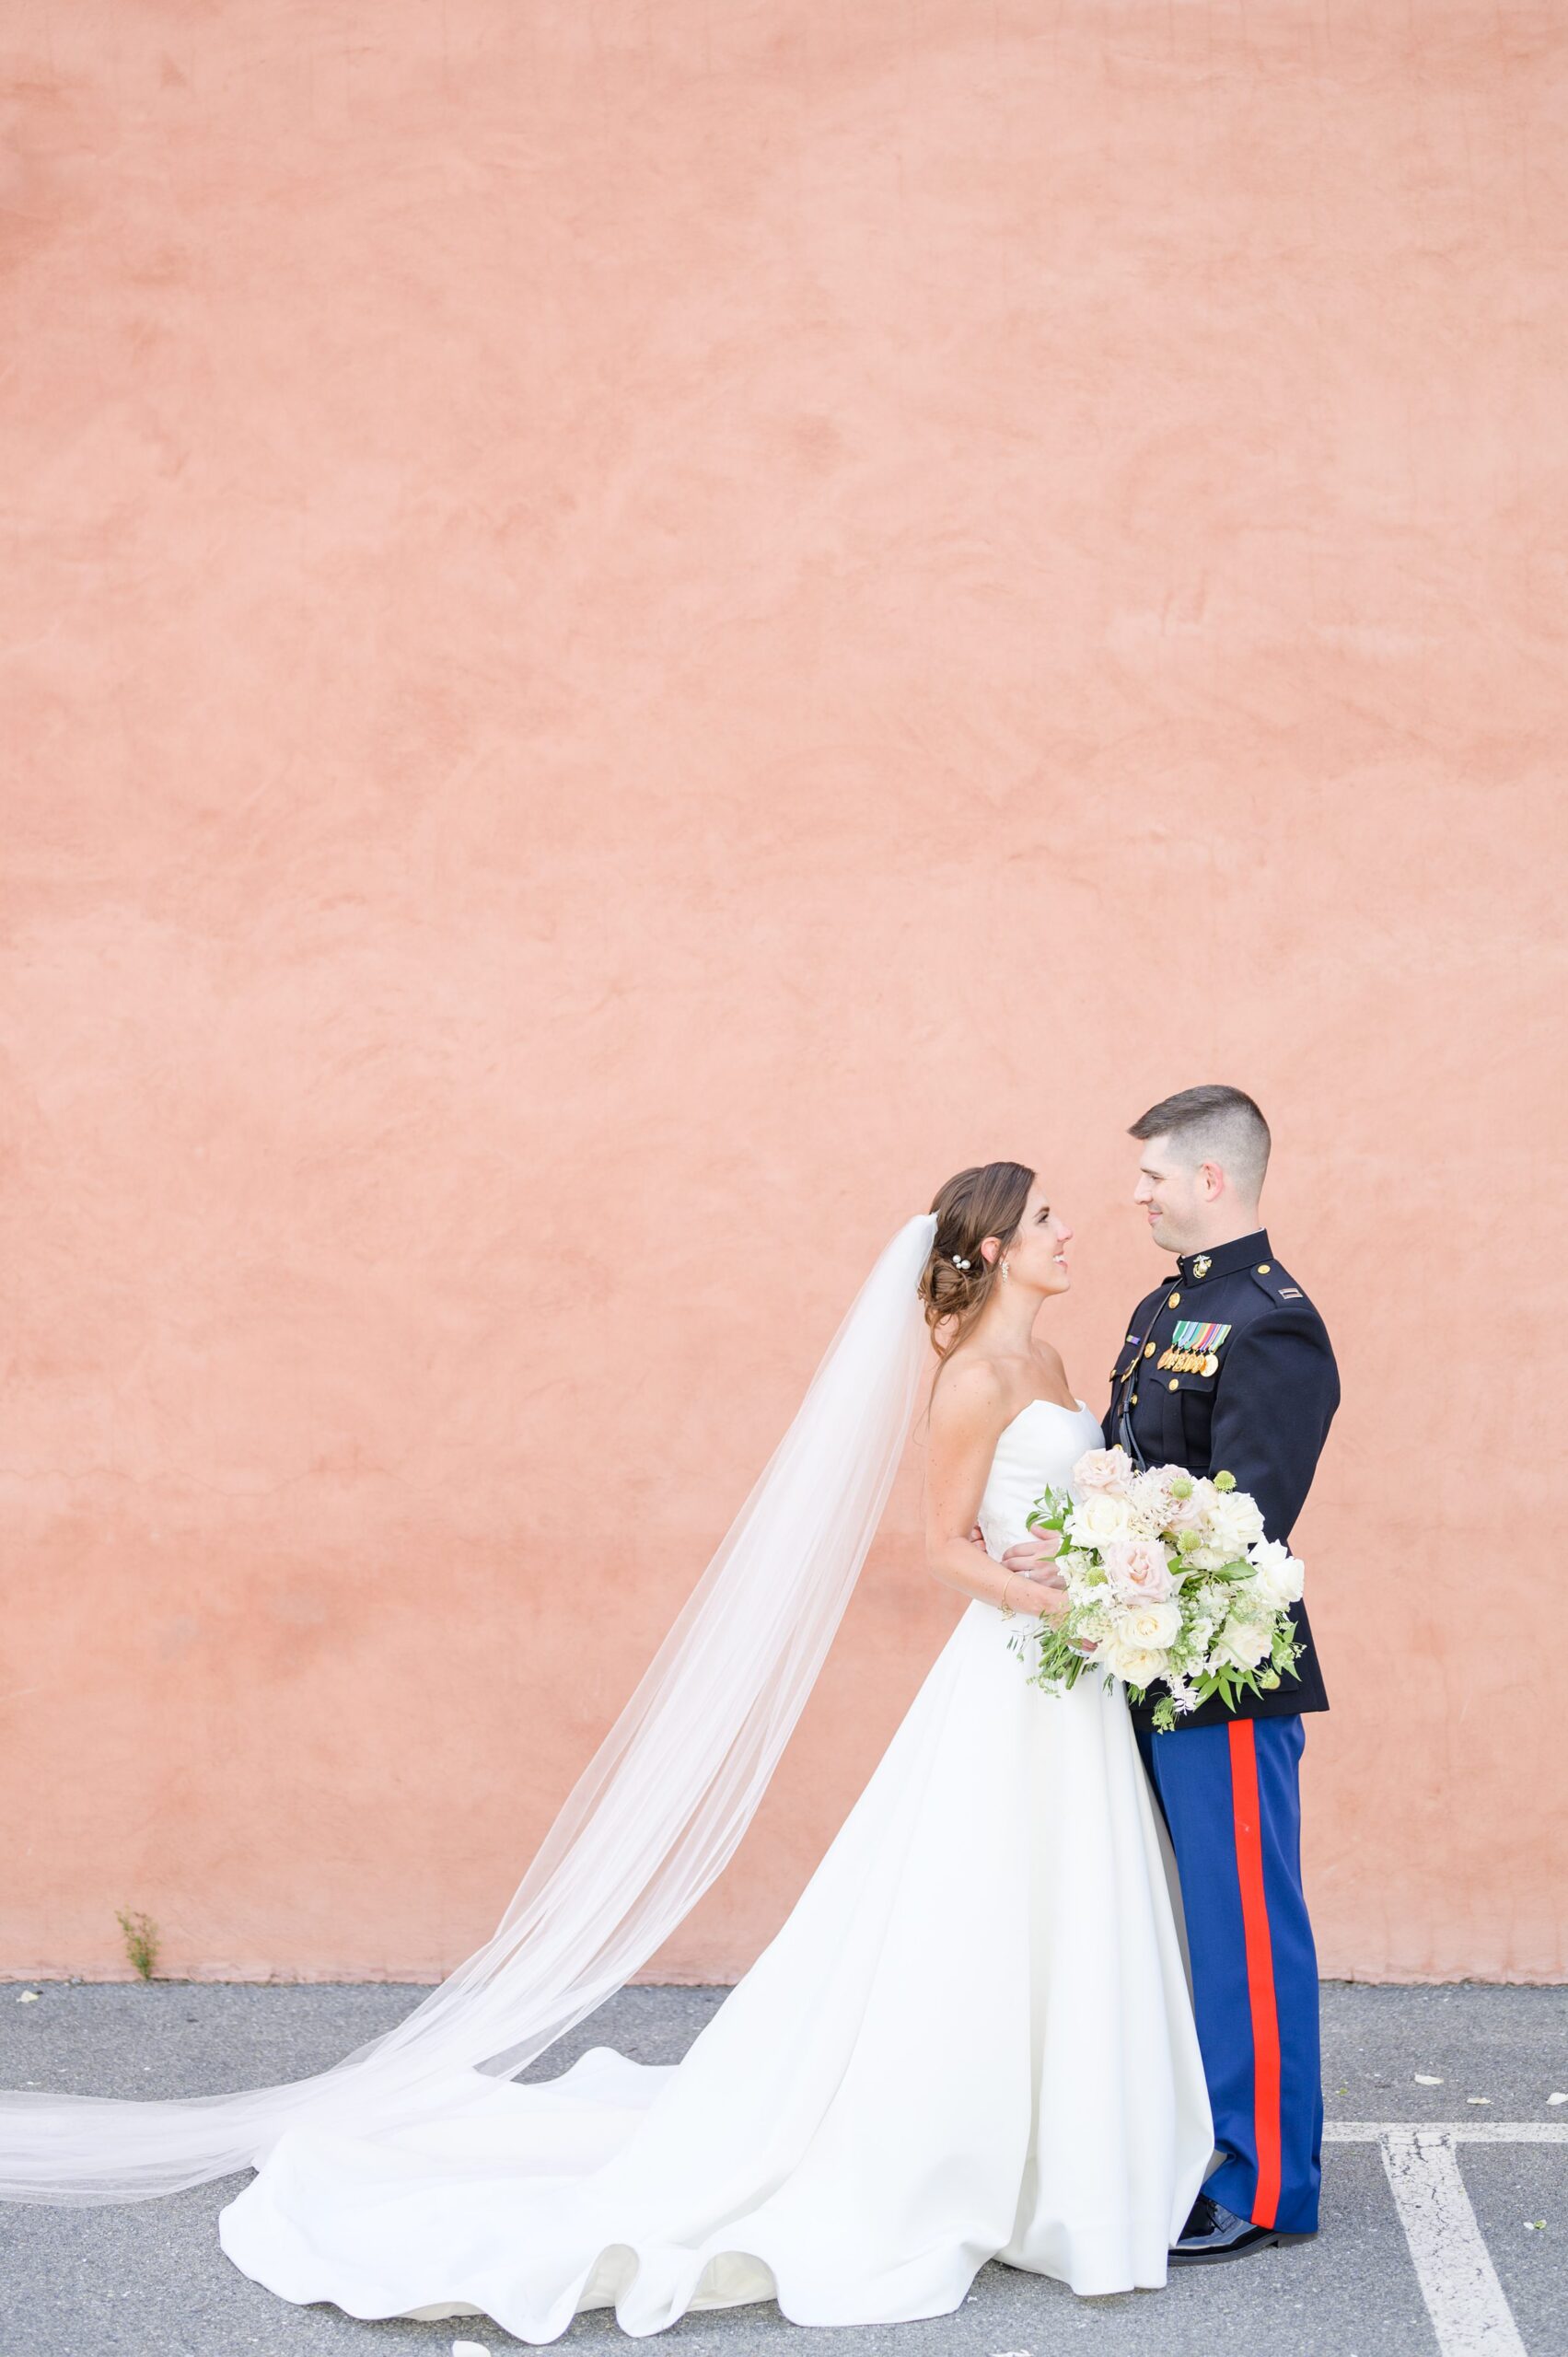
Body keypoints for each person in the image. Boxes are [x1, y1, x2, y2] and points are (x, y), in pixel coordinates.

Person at [0, 1164, 1213, 2339]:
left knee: (1061, 1901)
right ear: (993, 1248)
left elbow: (1048, 1514)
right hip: (1021, 1670)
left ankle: (1057, 2146)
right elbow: (945, 1548)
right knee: (980, 1900)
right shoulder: (970, 1378)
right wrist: (1069, 1605)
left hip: (1069, 1675)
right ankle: (956, 2148)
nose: (1070, 1232)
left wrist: (1093, 1555)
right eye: (1046, 1217)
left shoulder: (1053, 1357)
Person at [1003, 1086, 1339, 2264]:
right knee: (1175, 1917)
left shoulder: (1269, 1320)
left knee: (1242, 1925)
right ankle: (1204, 2139)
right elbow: (1128, 1461)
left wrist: (1103, 1548)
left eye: (1151, 1175)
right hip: (1143, 1659)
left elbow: (1243, 1513)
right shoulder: (1166, 1306)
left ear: (1211, 1179)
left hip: (1224, 1674)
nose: (1133, 1193)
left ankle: (1263, 2185)